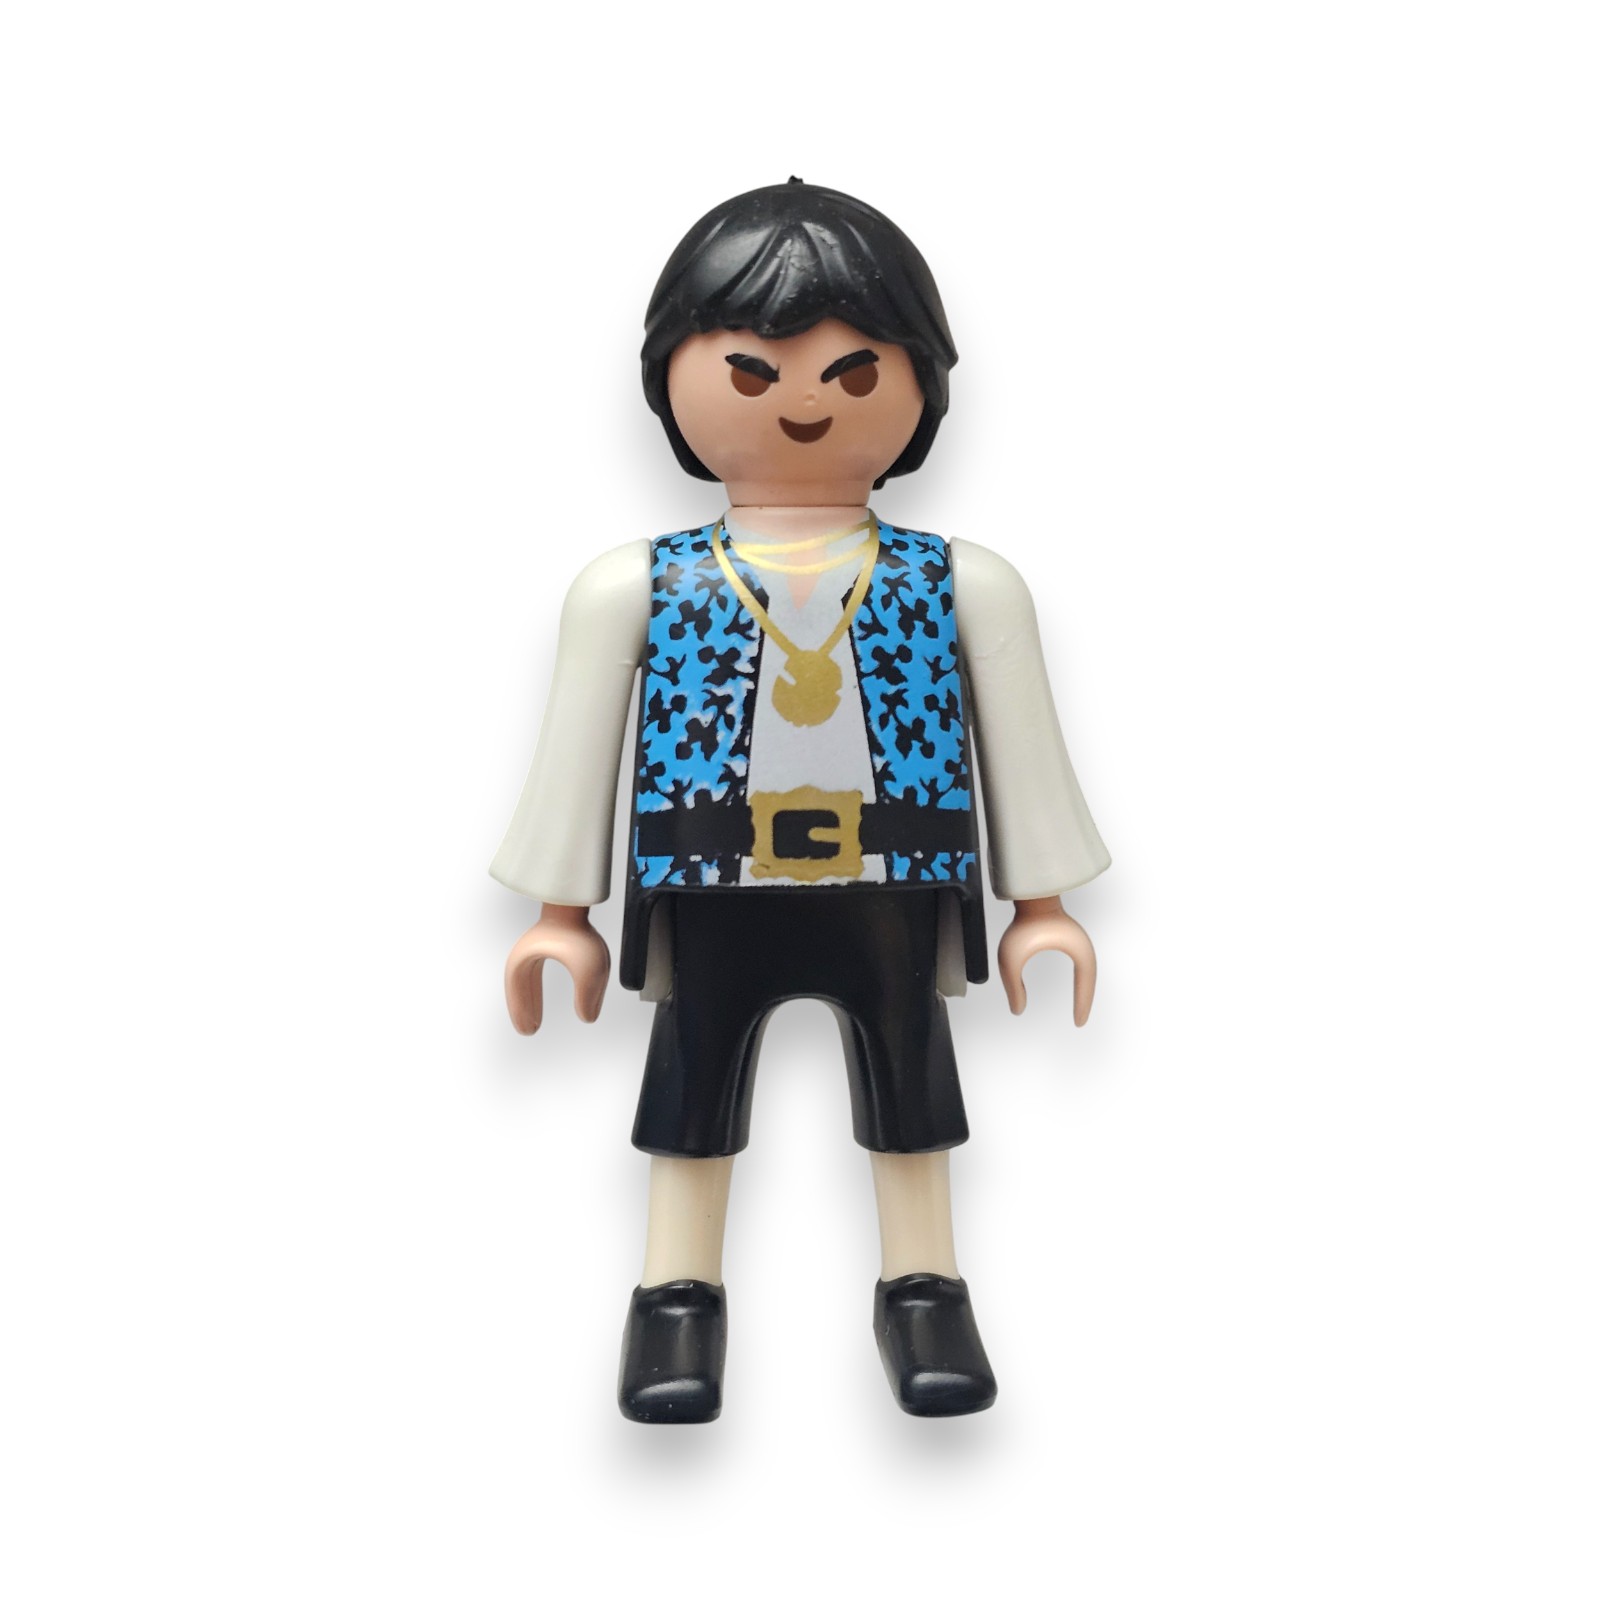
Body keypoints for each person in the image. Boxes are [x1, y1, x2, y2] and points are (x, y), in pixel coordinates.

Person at [490, 179, 1110, 1422]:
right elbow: (575, 752)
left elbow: (1022, 746)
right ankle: (675, 1300)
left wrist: (1039, 902)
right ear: (672, 381)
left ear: (922, 382)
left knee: (911, 1093)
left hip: (894, 881)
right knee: (690, 1095)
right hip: (710, 878)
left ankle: (923, 1290)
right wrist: (562, 913)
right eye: (753, 371)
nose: (808, 401)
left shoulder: (959, 584)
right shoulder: (638, 587)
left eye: (854, 369)